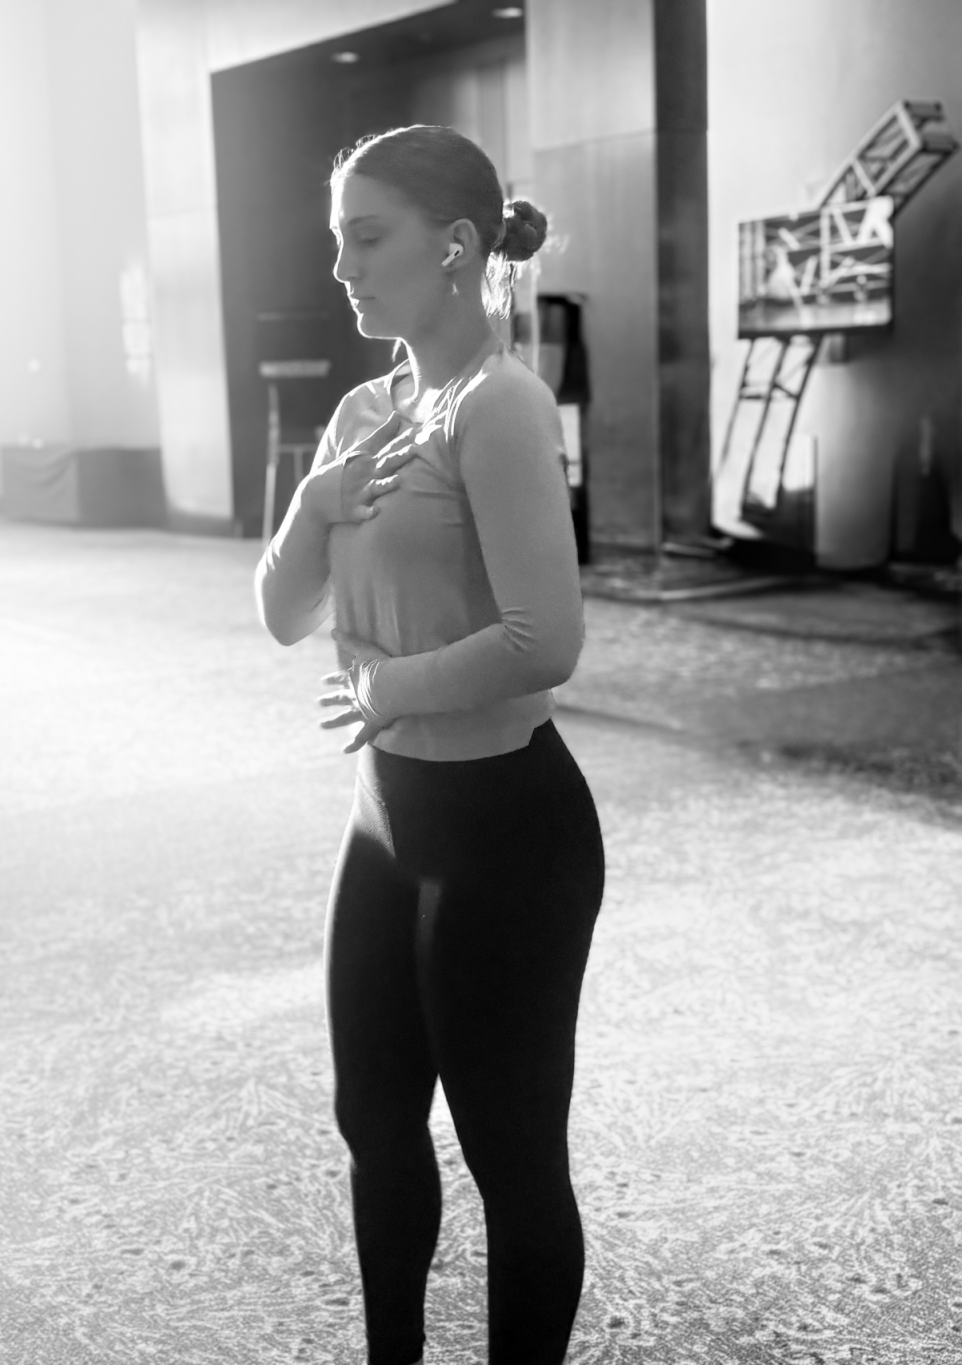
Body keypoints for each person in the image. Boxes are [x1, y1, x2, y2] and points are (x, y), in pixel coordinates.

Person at [254, 124, 604, 1365]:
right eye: (336, 239)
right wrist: (315, 499)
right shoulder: (365, 409)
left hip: (507, 834)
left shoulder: (502, 406)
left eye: (366, 238)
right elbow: (283, 613)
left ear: (455, 249)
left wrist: (393, 685)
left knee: (512, 1153)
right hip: (387, 823)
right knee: (374, 1121)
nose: (341, 267)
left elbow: (544, 638)